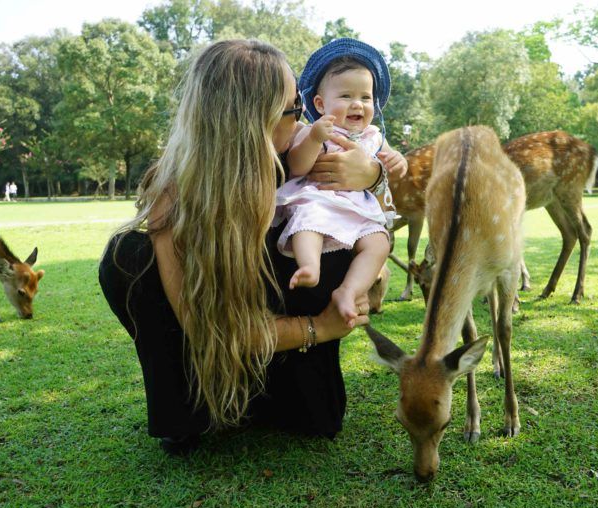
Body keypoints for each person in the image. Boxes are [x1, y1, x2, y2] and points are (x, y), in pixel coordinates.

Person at [98, 40, 401, 455]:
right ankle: (189, 406)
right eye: (293, 109)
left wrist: (373, 178)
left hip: (280, 327)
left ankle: (276, 389)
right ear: (251, 120)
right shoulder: (174, 191)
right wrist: (320, 327)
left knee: (331, 250)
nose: (304, 121)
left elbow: (378, 224)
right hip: (229, 332)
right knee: (129, 257)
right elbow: (204, 324)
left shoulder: (304, 154)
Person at [274, 38, 406, 326]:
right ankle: (310, 265)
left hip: (358, 211)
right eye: (346, 96)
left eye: (366, 97)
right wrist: (315, 139)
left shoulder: (372, 136)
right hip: (321, 200)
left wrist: (397, 162)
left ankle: (350, 291)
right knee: (308, 224)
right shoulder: (313, 131)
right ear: (320, 104)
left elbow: (387, 162)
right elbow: (297, 166)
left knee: (379, 243)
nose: (357, 104)